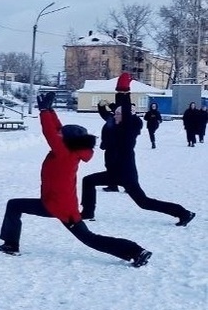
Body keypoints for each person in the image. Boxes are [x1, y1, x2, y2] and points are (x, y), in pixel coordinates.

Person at [0, 90, 152, 267]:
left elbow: (50, 134)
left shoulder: (63, 153)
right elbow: (58, 130)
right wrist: (50, 111)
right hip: (56, 202)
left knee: (90, 239)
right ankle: (10, 244)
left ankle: (136, 251)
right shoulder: (71, 149)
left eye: (62, 136)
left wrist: (44, 112)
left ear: (67, 141)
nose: (59, 135)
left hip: (58, 206)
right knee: (15, 205)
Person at [81, 74, 195, 227]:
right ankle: (87, 212)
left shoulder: (129, 127)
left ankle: (183, 213)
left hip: (126, 174)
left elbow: (125, 110)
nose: (115, 116)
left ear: (128, 115)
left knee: (144, 202)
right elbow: (111, 113)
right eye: (115, 113)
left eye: (118, 114)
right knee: (88, 181)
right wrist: (104, 105)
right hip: (115, 172)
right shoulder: (116, 123)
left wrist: (123, 90)